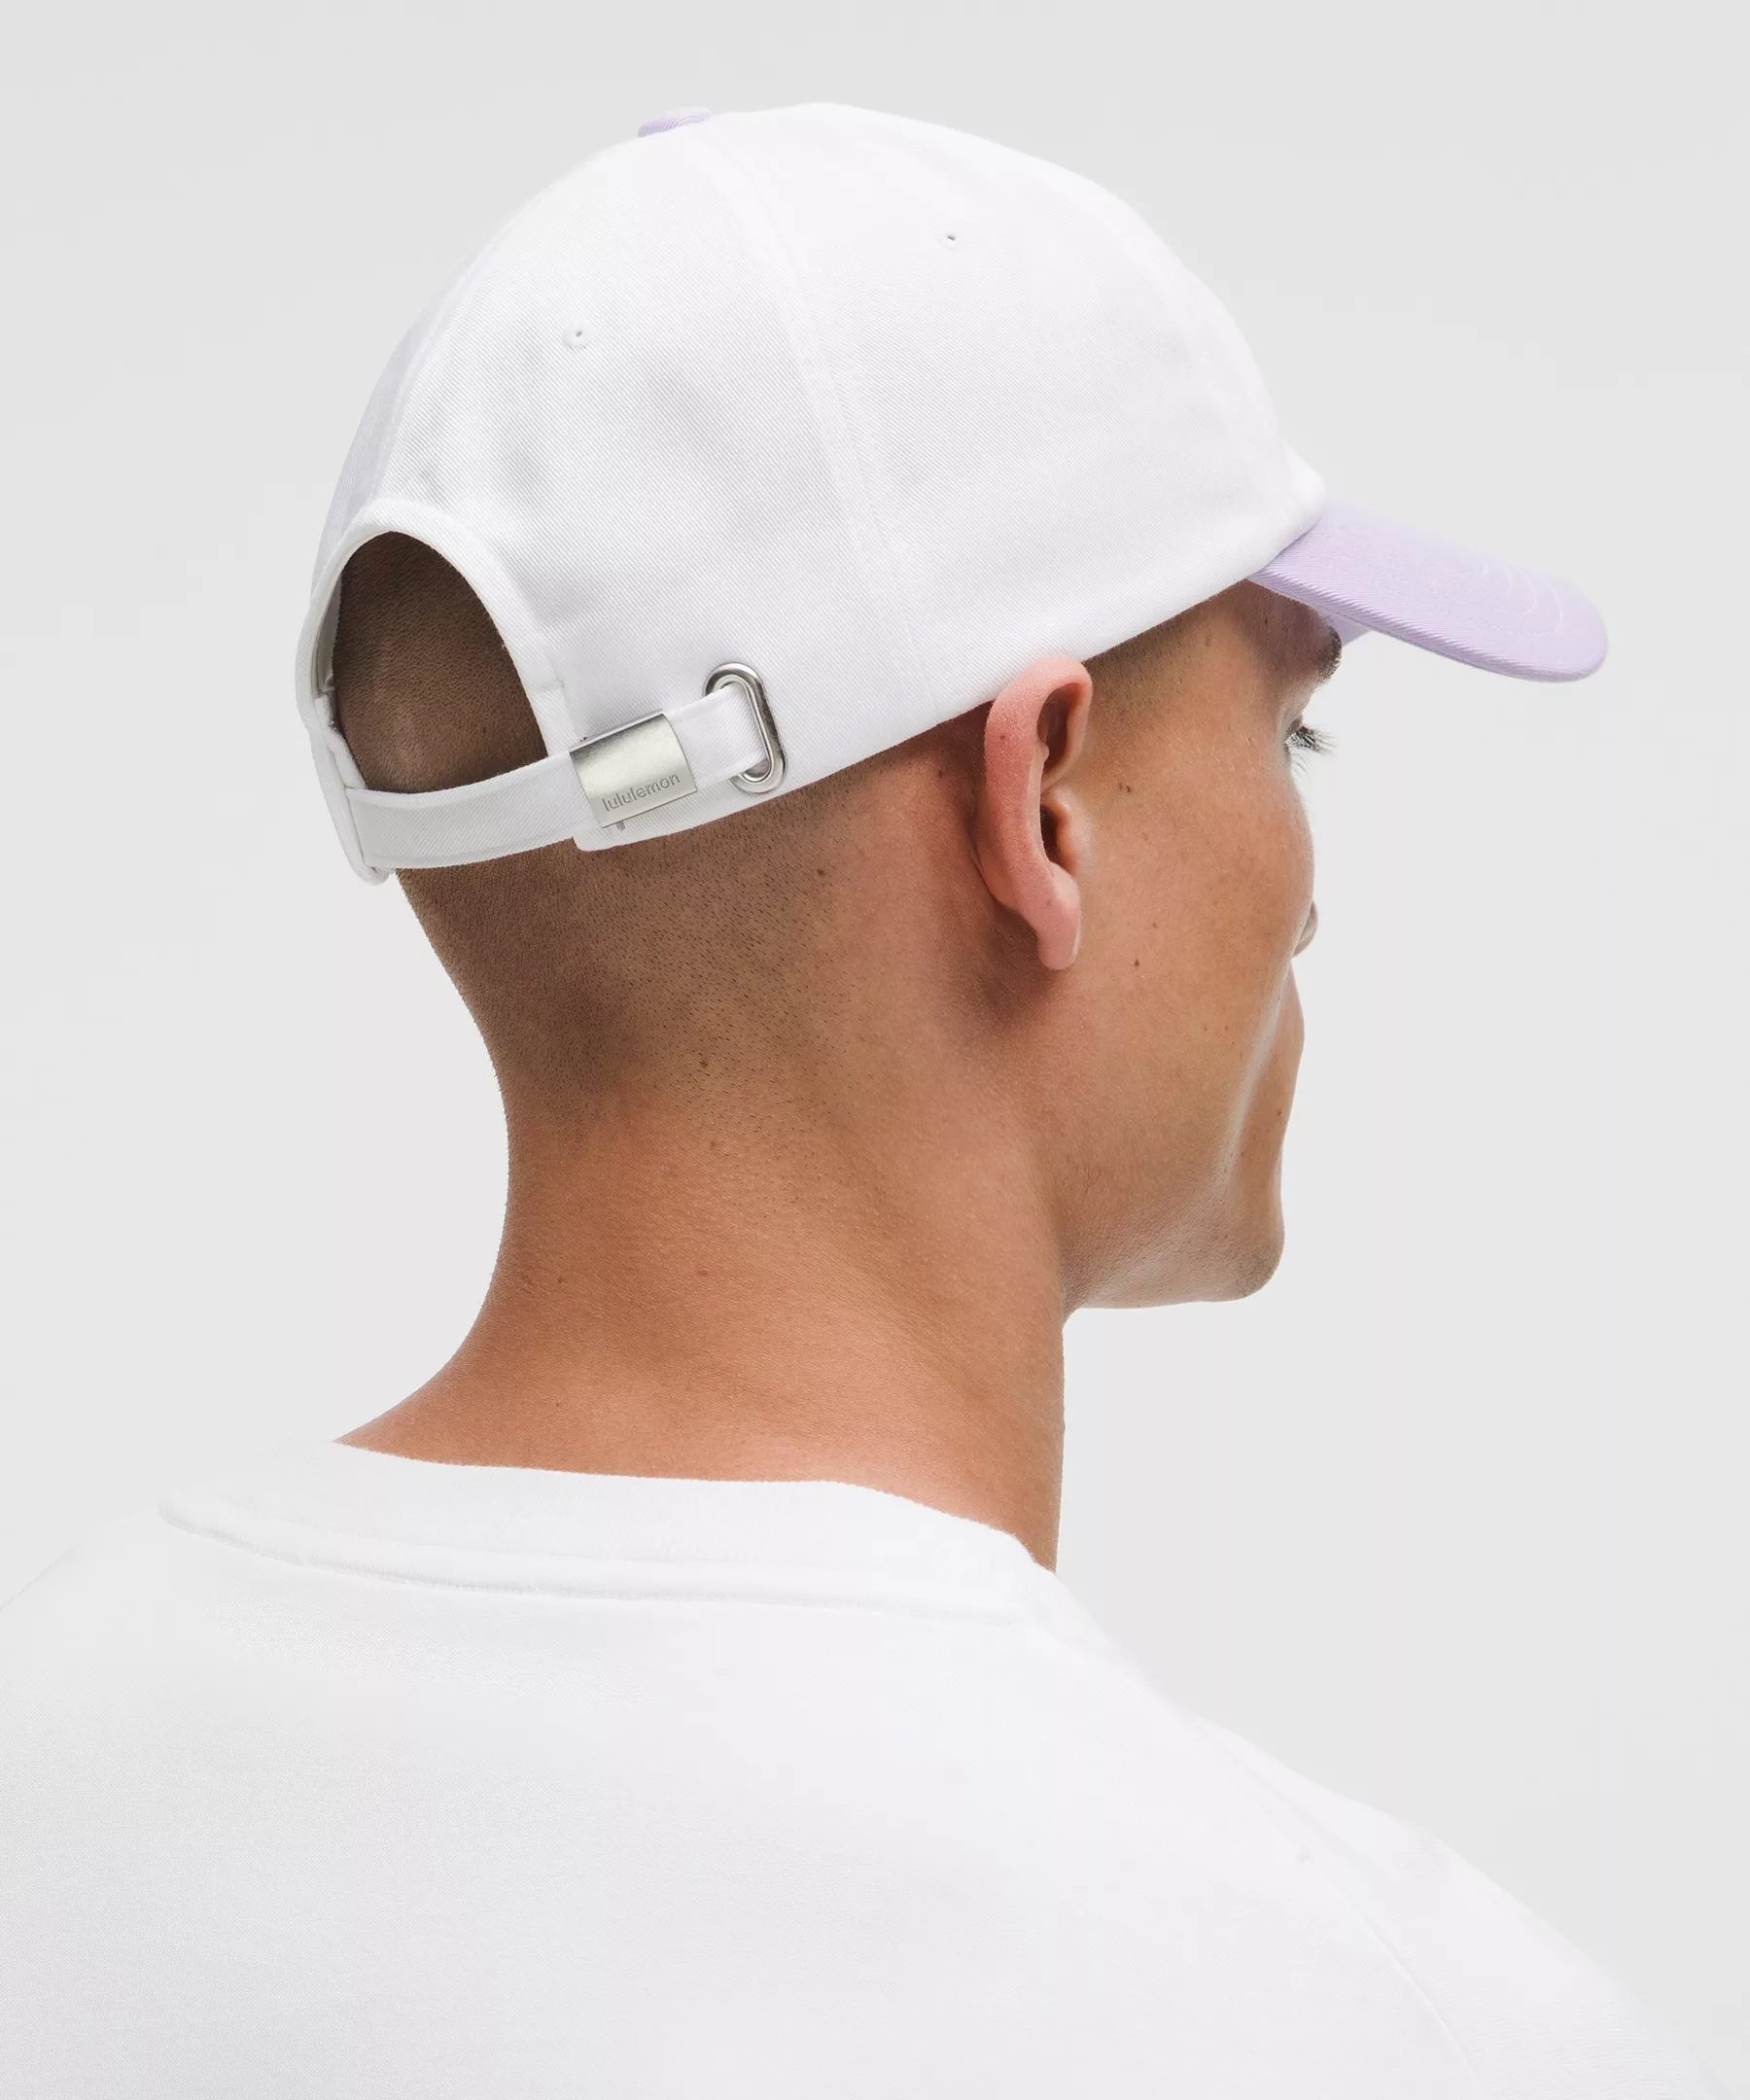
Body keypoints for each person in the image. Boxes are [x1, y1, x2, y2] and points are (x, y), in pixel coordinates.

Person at [0, 103, 1727, 2099]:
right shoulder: (1396, 2028)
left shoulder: (50, 1754)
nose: (1312, 889)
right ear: (1042, 802)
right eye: (1292, 736)